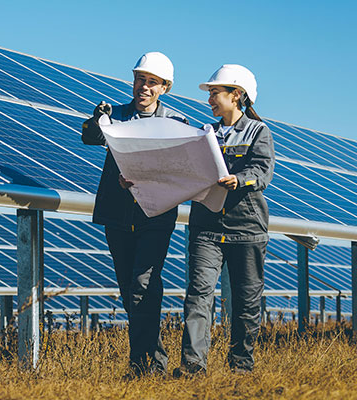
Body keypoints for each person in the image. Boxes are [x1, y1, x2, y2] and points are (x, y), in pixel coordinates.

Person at [81, 52, 187, 376]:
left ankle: (141, 366)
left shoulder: (176, 123)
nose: (144, 87)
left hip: (156, 214)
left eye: (152, 82)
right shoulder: (115, 116)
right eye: (140, 79)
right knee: (130, 289)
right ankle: (153, 360)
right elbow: (90, 136)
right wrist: (95, 119)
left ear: (164, 88)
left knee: (144, 283)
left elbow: (180, 168)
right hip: (118, 212)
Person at [176, 64, 275, 376]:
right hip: (206, 227)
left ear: (237, 95)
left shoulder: (259, 132)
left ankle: (241, 366)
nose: (210, 100)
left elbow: (262, 170)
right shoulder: (205, 134)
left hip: (247, 228)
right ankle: (193, 366)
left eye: (215, 93)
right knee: (198, 296)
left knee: (246, 302)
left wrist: (239, 179)